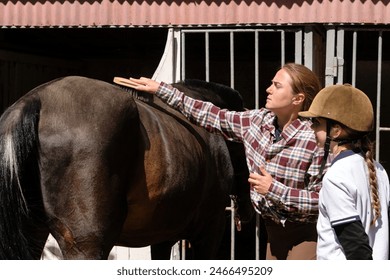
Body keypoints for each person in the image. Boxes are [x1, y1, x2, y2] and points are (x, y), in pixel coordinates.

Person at [126, 63, 326, 260]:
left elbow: (324, 199)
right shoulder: (257, 122)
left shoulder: (314, 140)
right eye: (271, 83)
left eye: (277, 85)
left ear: (298, 98)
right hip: (272, 232)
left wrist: (274, 189)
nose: (268, 89)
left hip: (306, 233)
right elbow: (210, 114)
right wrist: (161, 89)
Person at [299, 84, 390, 260]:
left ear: (336, 131)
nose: (312, 128)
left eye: (317, 123)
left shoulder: (336, 176)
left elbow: (355, 246)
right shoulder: (379, 170)